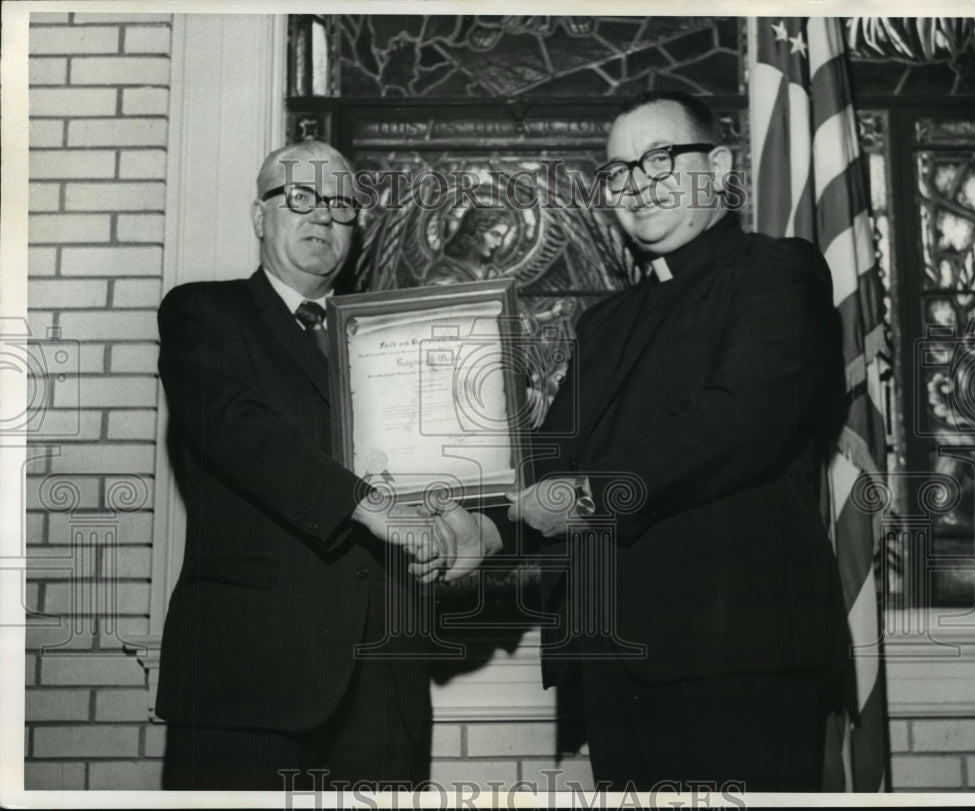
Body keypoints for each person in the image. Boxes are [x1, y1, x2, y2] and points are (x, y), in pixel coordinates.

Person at [504, 91, 850, 791]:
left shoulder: (778, 271)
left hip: (736, 651)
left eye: (660, 159)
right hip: (608, 658)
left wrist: (588, 493)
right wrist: (473, 524)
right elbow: (549, 451)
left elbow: (739, 419)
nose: (638, 184)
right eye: (620, 171)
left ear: (718, 166)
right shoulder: (605, 322)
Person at [155, 140, 500, 790]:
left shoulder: (390, 337)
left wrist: (469, 521)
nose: (322, 218)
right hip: (249, 672)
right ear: (261, 215)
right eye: (301, 198)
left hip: (384, 671)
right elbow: (239, 431)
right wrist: (376, 509)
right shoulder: (203, 312)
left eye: (341, 204)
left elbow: (450, 455)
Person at [425, 206, 516, 285]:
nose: (498, 243)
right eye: (495, 234)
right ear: (474, 232)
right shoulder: (444, 272)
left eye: (502, 237)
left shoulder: (493, 274)